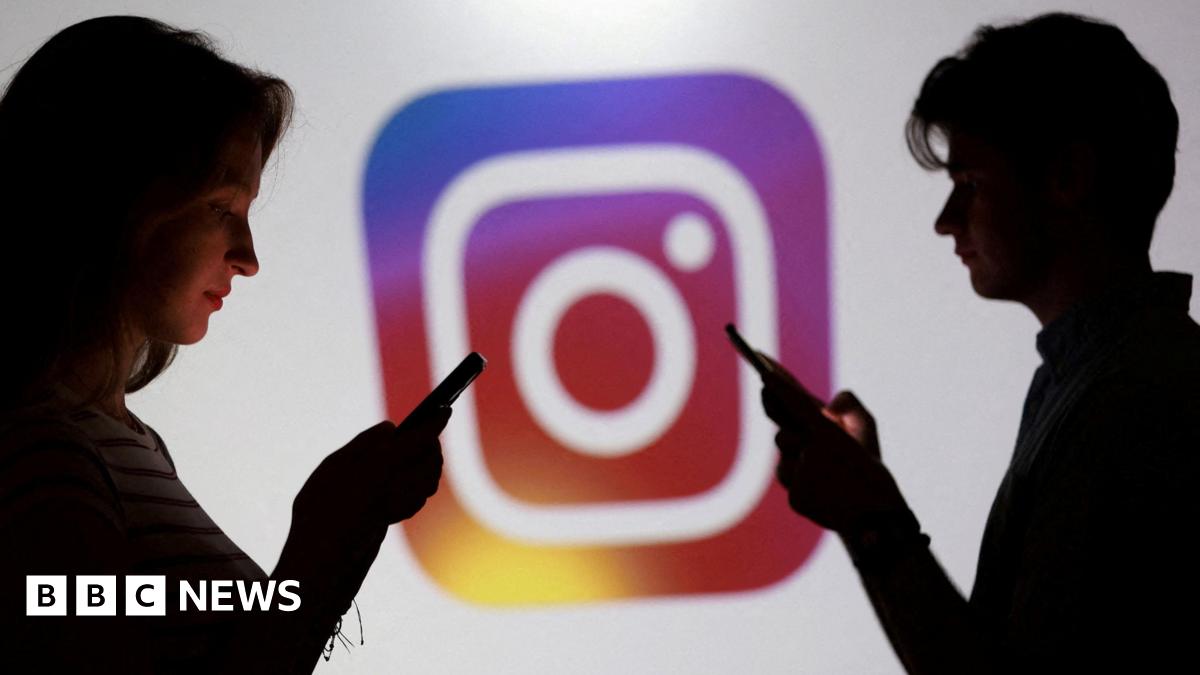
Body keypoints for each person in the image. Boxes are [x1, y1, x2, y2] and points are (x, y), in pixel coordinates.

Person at [0, 16, 449, 674]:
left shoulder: (126, 447)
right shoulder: (42, 452)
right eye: (219, 208)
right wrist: (322, 549)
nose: (247, 257)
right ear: (111, 199)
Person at [759, 13, 1200, 674]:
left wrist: (871, 517)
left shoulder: (1139, 399)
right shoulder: (1103, 377)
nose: (946, 221)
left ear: (1068, 178)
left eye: (969, 185)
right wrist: (868, 510)